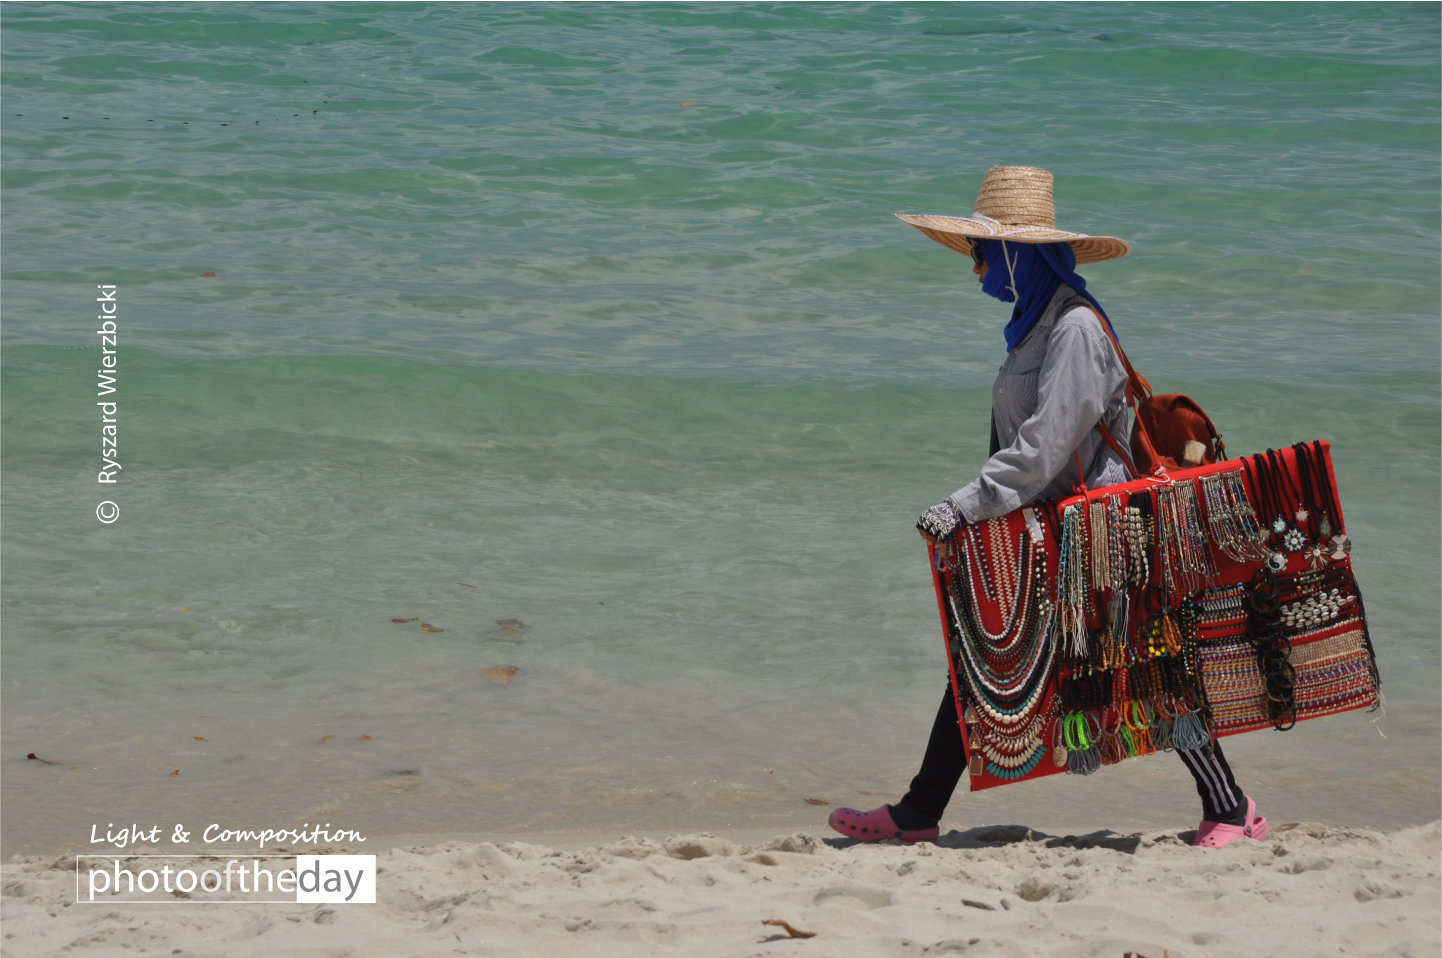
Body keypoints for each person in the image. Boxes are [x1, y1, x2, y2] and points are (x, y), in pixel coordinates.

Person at [827, 166, 1266, 850]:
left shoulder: (1076, 329)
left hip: (1106, 534)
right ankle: (918, 811)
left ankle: (1233, 807)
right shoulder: (1031, 328)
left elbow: (1043, 446)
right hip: (1051, 532)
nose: (972, 267)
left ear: (1016, 255)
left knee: (1147, 669)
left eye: (980, 252)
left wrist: (965, 504)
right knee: (980, 654)